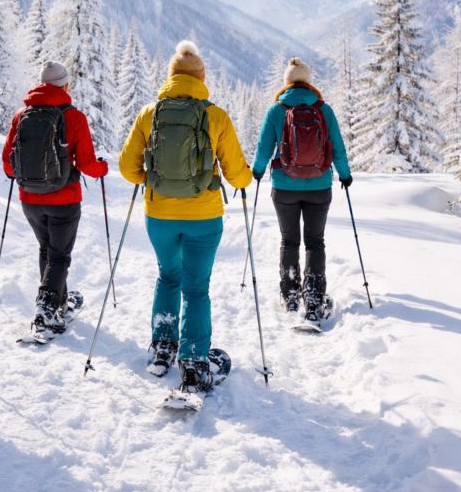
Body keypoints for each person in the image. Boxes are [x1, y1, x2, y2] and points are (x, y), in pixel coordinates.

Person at [119, 40, 252, 390]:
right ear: (201, 77)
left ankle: (163, 346)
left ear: (171, 77)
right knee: (196, 288)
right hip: (204, 218)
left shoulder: (150, 113)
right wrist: (241, 176)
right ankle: (193, 363)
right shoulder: (216, 116)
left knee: (168, 276)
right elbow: (238, 175)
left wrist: (152, 177)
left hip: (159, 215)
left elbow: (127, 168)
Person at [2, 61, 108, 336]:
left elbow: (7, 164)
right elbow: (86, 163)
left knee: (45, 250)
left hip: (29, 200)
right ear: (65, 85)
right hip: (64, 200)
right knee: (59, 255)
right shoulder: (74, 117)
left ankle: (57, 304)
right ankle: (46, 310)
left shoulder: (21, 114)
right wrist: (103, 168)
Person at [251, 57, 351, 323]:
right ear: (308, 81)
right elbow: (337, 146)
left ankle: (290, 295)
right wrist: (345, 174)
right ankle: (315, 298)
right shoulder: (324, 109)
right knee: (315, 242)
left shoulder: (277, 110)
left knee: (289, 241)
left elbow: (263, 148)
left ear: (287, 82)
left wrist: (258, 171)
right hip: (320, 186)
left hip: (284, 187)